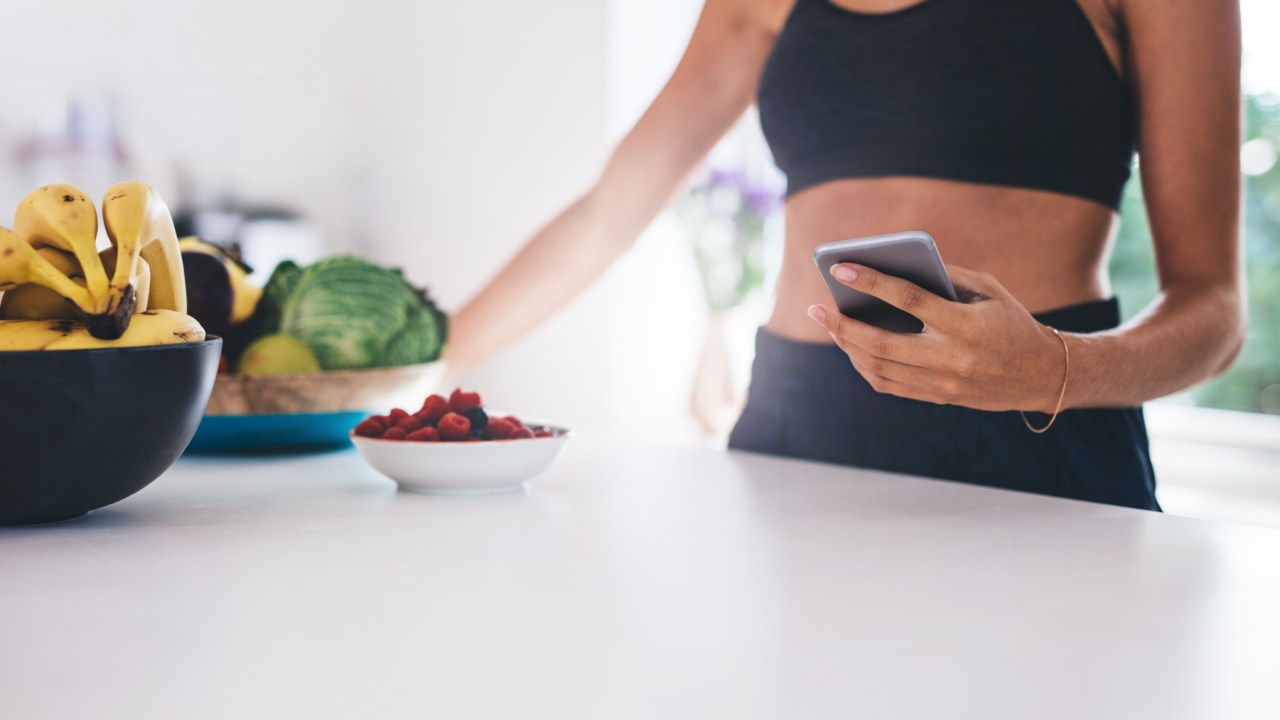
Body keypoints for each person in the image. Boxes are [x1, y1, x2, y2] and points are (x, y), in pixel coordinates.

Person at [443, 0, 1244, 510]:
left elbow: (1215, 311)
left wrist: (1051, 372)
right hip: (800, 421)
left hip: (1038, 426)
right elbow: (603, 220)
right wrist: (421, 367)